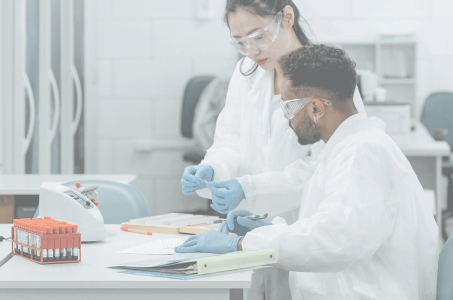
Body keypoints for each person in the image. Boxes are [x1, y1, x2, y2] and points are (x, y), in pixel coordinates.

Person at [176, 45, 438, 300]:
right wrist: (265, 229)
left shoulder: (362, 153)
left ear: (316, 109)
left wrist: (239, 246)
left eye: (288, 108)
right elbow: (329, 225)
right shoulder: (345, 148)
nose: (287, 119)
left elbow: (334, 241)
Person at [180, 0, 366, 299]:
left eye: (258, 36)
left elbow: (325, 167)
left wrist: (249, 186)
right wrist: (213, 169)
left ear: (287, 18)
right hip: (252, 229)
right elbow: (230, 140)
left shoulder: (324, 77)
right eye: (240, 41)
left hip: (302, 230)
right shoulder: (245, 74)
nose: (251, 51)